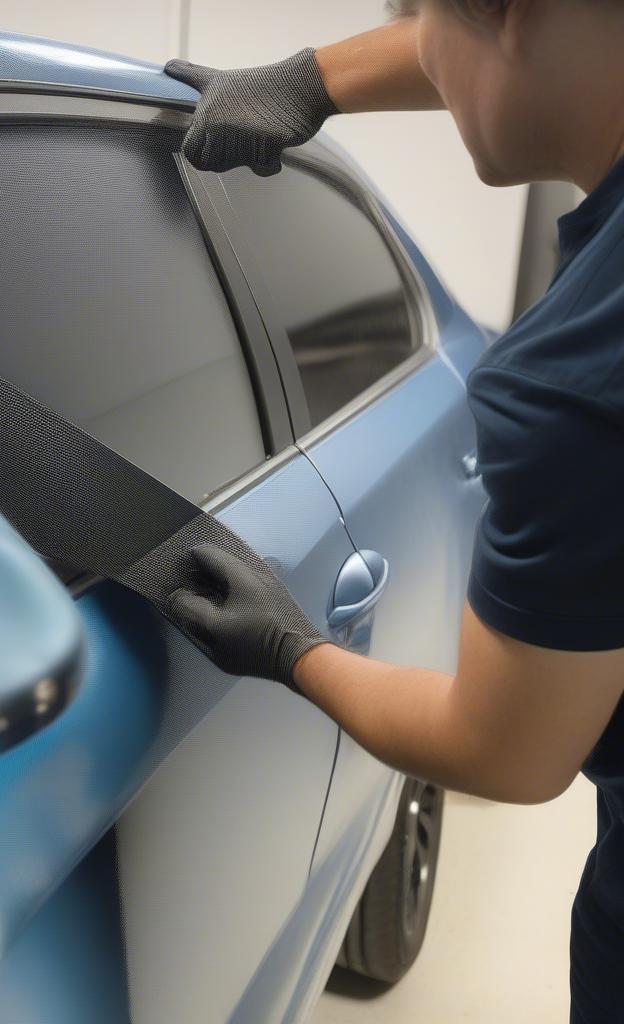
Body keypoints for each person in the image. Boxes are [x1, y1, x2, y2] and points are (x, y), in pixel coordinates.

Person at [163, 2, 624, 1021]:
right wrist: (311, 79)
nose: (427, 65)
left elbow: (511, 750)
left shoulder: (574, 379)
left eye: (422, 18)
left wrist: (289, 649)